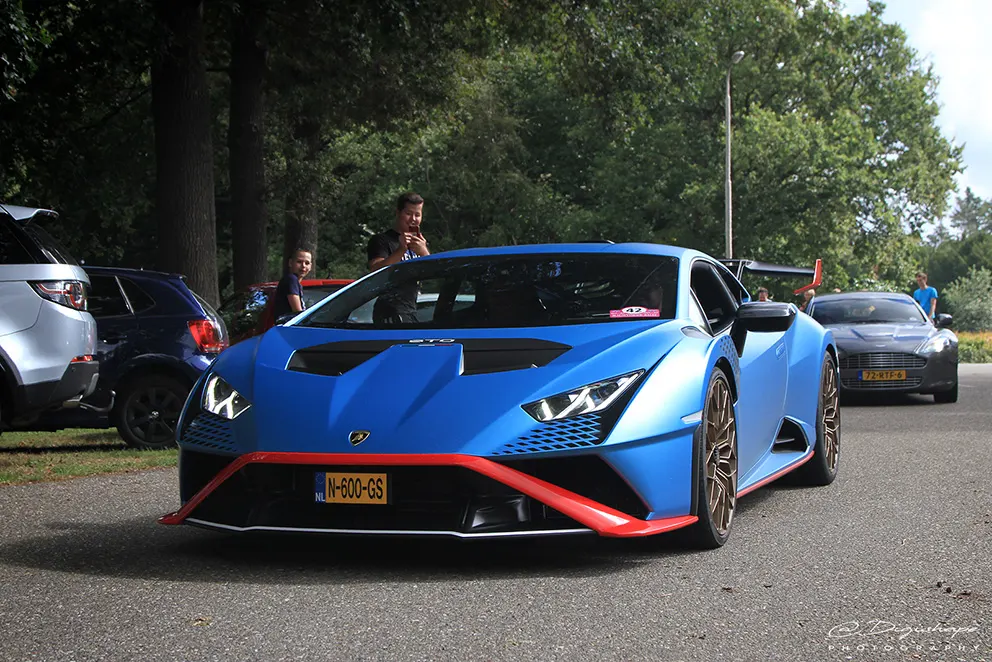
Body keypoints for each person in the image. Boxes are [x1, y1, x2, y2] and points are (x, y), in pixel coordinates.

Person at [366, 192, 430, 323]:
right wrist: (401, 250)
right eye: (408, 213)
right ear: (398, 213)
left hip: (410, 309)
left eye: (417, 215)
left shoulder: (419, 244)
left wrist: (424, 252)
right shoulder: (382, 240)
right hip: (388, 311)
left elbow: (433, 273)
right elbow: (375, 270)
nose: (413, 219)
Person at [272, 248, 312, 321]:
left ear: (310, 266)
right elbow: (297, 312)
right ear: (290, 263)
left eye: (307, 263)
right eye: (299, 262)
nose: (303, 266)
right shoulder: (291, 280)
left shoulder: (294, 281)